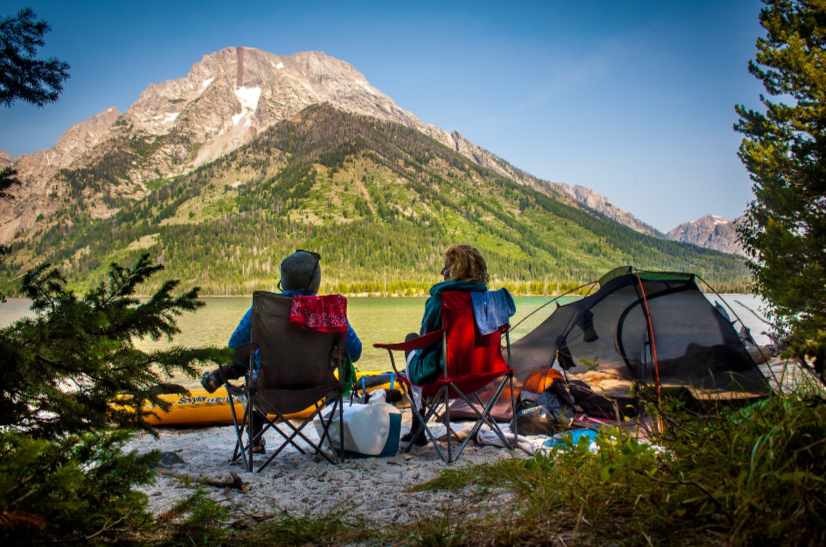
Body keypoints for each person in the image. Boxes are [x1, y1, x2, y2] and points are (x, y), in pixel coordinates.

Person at [201, 250, 362, 453]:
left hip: (269, 390)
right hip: (318, 388)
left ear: (283, 281)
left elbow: (234, 350)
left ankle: (255, 439)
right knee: (255, 367)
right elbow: (355, 353)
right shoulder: (330, 312)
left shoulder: (263, 310)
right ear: (315, 282)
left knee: (253, 369)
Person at [402, 243, 492, 445]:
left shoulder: (440, 300)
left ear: (458, 269)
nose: (442, 272)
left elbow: (424, 343)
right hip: (480, 373)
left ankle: (418, 429)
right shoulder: (489, 300)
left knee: (411, 339)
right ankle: (418, 428)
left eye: (447, 266)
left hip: (443, 376)